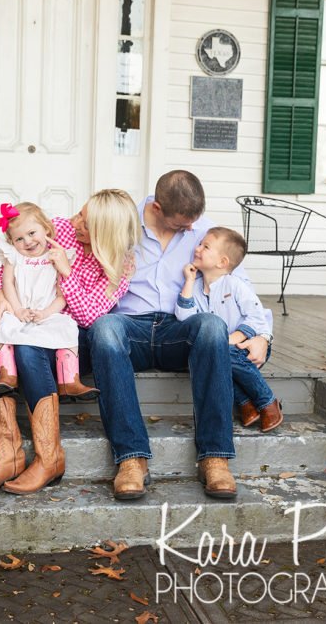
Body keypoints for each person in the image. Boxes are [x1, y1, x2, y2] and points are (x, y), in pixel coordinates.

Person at [88, 170, 271, 501]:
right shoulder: (123, 222)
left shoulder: (204, 231)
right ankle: (131, 459)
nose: (190, 230)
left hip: (178, 328)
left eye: (193, 223)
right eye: (181, 224)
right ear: (157, 208)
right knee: (103, 328)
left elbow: (240, 285)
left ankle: (215, 457)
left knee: (212, 325)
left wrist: (263, 335)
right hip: (131, 326)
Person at [0, 190, 140, 496]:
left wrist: (65, 273)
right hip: (28, 317)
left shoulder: (120, 266)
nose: (76, 220)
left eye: (86, 219)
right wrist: (2, 295)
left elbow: (87, 316)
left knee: (30, 352)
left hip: (68, 335)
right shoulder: (63, 229)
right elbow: (8, 267)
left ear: (103, 231)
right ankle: (7, 456)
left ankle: (49, 457)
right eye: (81, 212)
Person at [0, 202, 97, 401]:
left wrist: (46, 313)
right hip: (20, 310)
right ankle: (7, 374)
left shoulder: (58, 257)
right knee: (4, 325)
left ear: (46, 229)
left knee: (67, 325)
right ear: (12, 242)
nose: (27, 241)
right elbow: (6, 283)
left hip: (47, 313)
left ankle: (69, 380)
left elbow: (62, 296)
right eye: (19, 238)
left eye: (32, 233)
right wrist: (17, 310)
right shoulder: (13, 257)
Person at [176, 227, 282, 433]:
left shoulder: (235, 285)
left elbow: (257, 317)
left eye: (205, 246)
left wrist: (236, 336)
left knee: (221, 353)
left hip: (246, 345)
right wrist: (189, 282)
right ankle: (245, 403)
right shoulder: (196, 288)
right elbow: (184, 318)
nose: (197, 249)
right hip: (223, 348)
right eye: (199, 244)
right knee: (212, 356)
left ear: (222, 262)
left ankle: (267, 401)